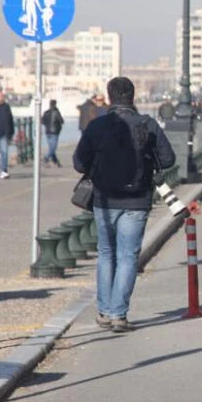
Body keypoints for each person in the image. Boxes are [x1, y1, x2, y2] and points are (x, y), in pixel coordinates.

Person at [73, 77, 176, 333]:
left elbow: (78, 163)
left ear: (109, 97)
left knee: (106, 253)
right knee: (128, 257)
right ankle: (119, 315)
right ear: (133, 96)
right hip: (137, 199)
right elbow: (168, 159)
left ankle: (104, 312)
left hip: (104, 199)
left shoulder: (97, 125)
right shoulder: (148, 124)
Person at [41, 99, 65, 167]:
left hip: (48, 132)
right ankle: (46, 158)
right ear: (55, 104)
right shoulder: (56, 112)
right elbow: (62, 121)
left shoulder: (46, 112)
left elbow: (42, 121)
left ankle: (56, 162)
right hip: (55, 132)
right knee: (53, 148)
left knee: (51, 147)